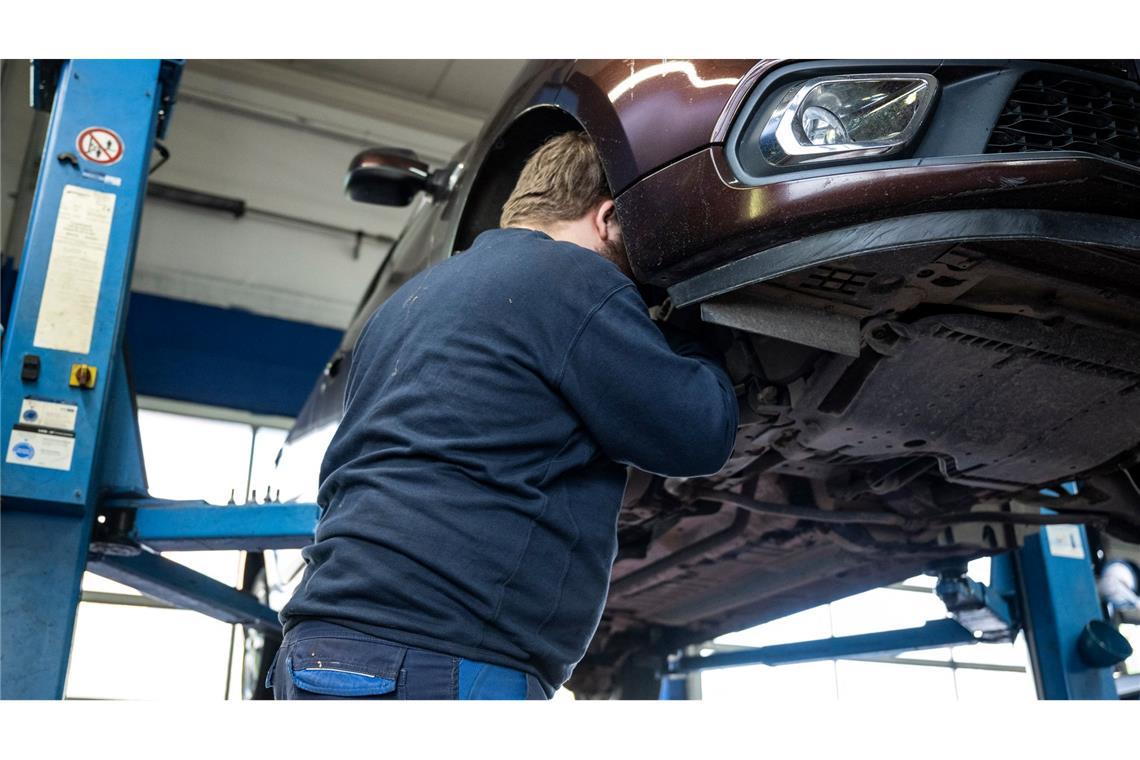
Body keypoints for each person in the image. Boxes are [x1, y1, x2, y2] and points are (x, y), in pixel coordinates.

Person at [269, 131, 738, 700]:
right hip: (439, 655)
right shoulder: (573, 278)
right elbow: (697, 434)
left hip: (319, 646)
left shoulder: (407, 303)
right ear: (609, 218)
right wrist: (697, 329)